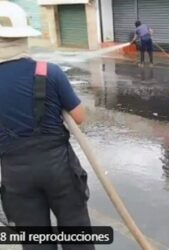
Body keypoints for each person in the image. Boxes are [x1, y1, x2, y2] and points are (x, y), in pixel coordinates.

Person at [0, 2, 93, 250]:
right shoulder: (49, 72)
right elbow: (79, 116)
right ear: (24, 36)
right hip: (59, 168)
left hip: (16, 175)